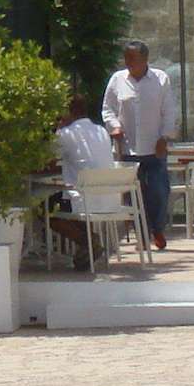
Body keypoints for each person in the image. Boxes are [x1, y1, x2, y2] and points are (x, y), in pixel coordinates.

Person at [103, 40, 178, 250]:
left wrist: (165, 137)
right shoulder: (117, 79)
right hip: (128, 149)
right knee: (133, 196)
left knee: (158, 191)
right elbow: (107, 109)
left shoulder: (160, 79)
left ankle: (157, 228)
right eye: (126, 58)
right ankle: (142, 235)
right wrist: (114, 127)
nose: (128, 62)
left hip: (154, 148)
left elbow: (169, 110)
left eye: (133, 58)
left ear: (145, 59)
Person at [46, 96, 118, 268]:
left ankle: (87, 241)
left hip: (84, 200)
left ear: (67, 112)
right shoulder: (101, 131)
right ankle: (88, 245)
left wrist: (58, 130)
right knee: (67, 198)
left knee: (45, 209)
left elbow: (48, 162)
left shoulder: (66, 133)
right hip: (110, 199)